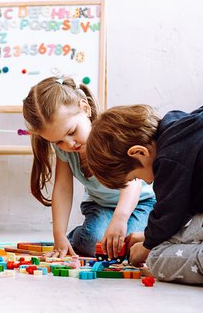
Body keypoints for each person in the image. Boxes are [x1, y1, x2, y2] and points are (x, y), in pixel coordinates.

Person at [22, 76, 155, 258]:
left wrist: (120, 218)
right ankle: (78, 236)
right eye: (58, 141)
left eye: (71, 132)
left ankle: (99, 231)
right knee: (97, 244)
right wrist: (59, 235)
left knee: (128, 246)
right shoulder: (65, 150)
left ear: (86, 108)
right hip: (100, 205)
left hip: (140, 202)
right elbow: (63, 188)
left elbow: (133, 182)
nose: (69, 144)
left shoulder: (110, 136)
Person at [86, 104, 203, 285]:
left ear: (139, 153)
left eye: (136, 177)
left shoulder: (168, 159)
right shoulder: (178, 125)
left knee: (156, 258)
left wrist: (147, 247)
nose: (148, 182)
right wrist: (149, 236)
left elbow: (169, 213)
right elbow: (182, 209)